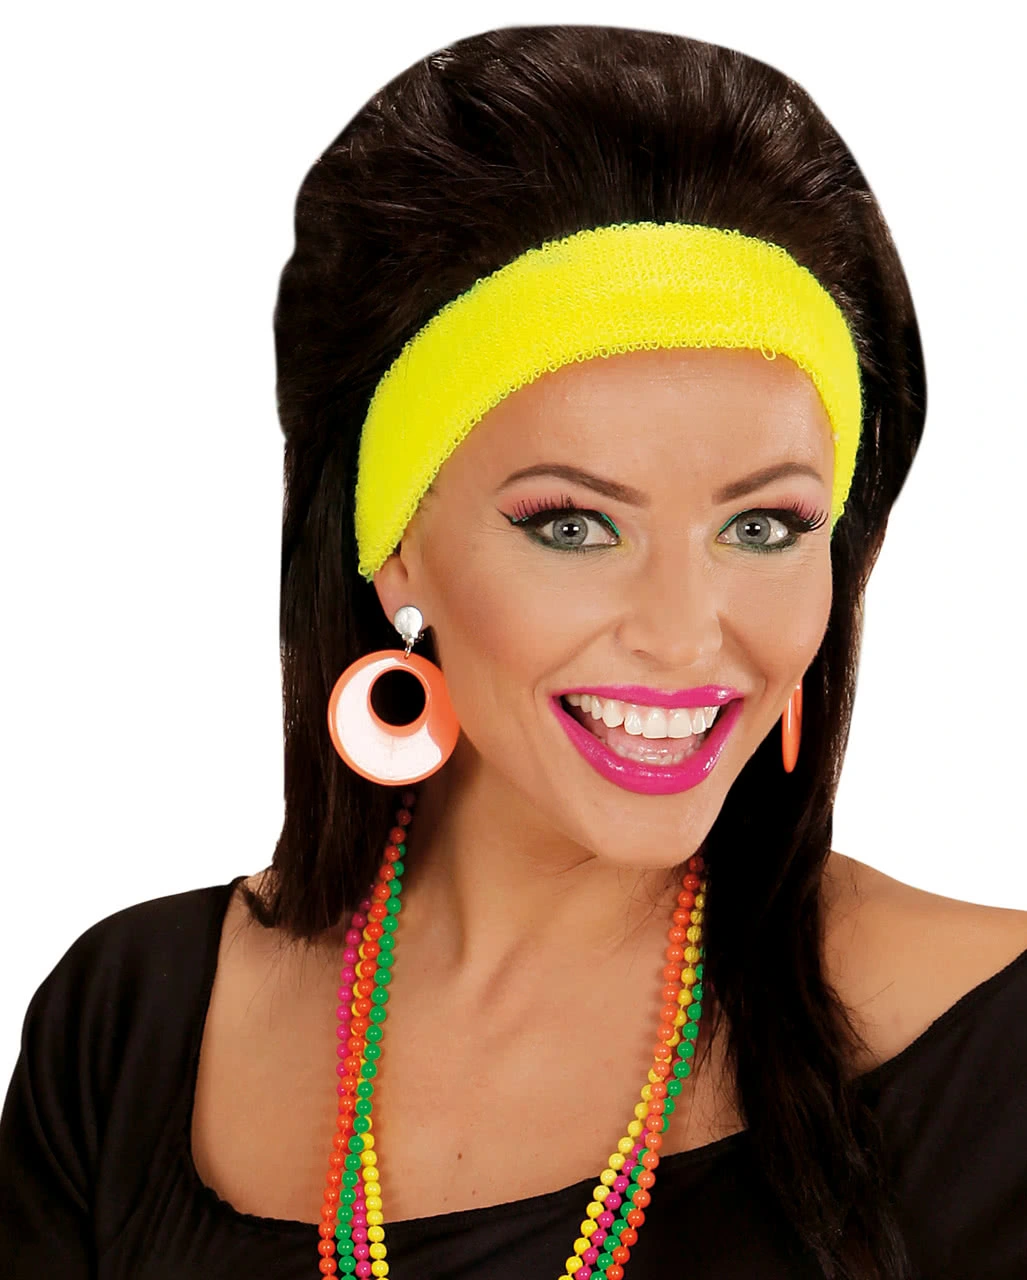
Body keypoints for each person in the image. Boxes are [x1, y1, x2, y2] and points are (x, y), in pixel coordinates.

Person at [2, 23, 1026, 1280]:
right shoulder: (128, 1020)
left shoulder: (996, 1053)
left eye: (762, 526)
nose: (682, 631)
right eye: (573, 524)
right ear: (394, 548)